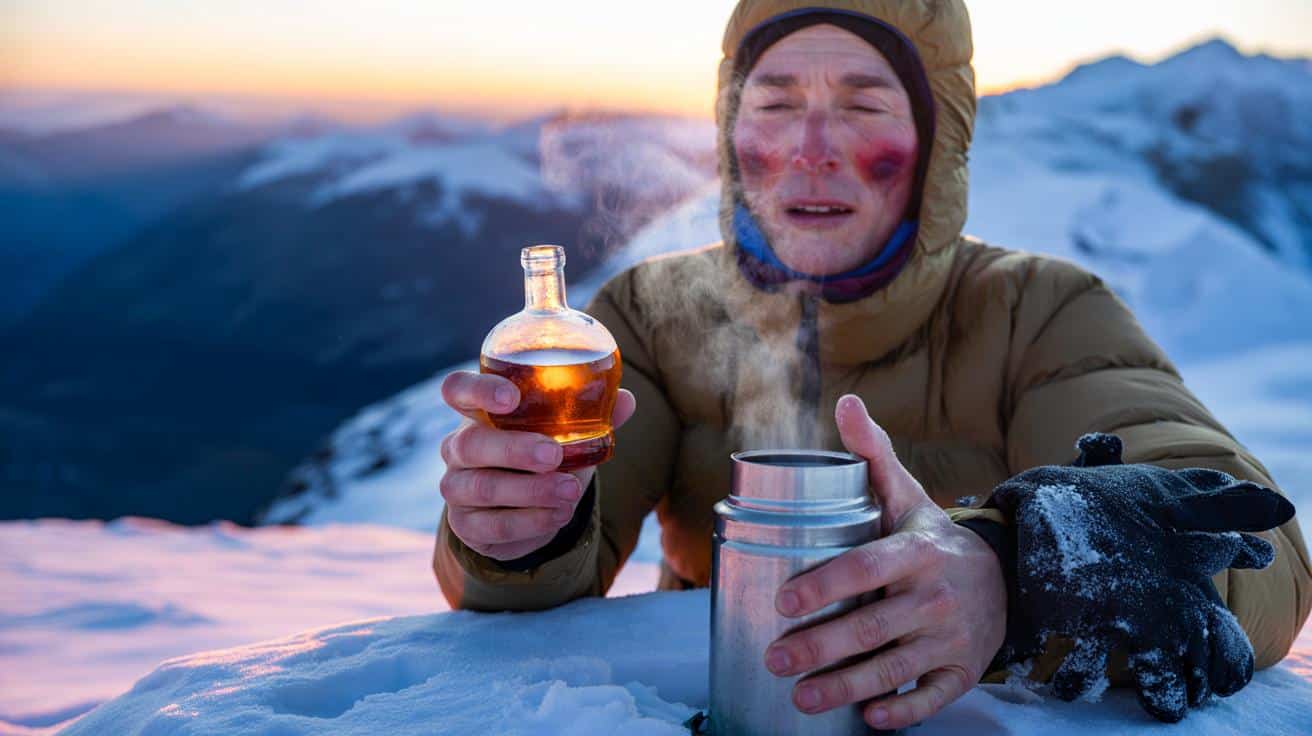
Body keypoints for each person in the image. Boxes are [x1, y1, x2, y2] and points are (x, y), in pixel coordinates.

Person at [433, 0, 1311, 728]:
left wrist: (1015, 567)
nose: (813, 146)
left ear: (934, 147)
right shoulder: (646, 316)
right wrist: (520, 534)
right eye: (773, 103)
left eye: (863, 104)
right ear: (732, 137)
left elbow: (1245, 537)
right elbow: (539, 603)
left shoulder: (1039, 308)